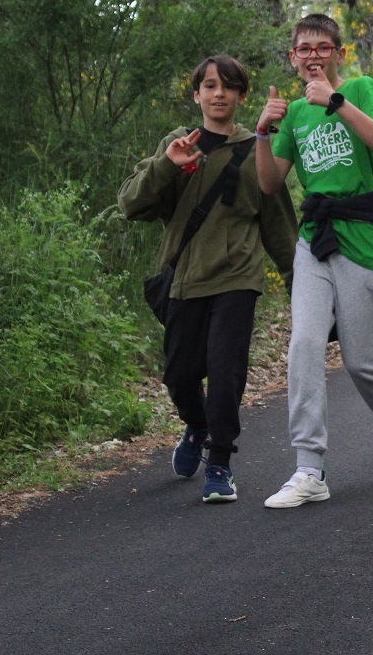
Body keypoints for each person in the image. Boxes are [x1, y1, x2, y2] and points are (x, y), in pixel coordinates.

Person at [255, 14, 373, 509]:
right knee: (304, 345)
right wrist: (263, 133)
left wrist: (335, 101)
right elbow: (269, 183)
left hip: (362, 236)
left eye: (323, 47)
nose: (313, 56)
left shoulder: (361, 89)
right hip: (314, 239)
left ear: (339, 54)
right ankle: (309, 468)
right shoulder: (293, 114)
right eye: (304, 49)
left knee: (362, 360)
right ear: (292, 58)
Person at [118, 55, 297, 504]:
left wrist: (300, 286)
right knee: (179, 376)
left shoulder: (257, 150)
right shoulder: (179, 143)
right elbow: (130, 204)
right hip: (183, 278)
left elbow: (279, 227)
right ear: (196, 94)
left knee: (224, 372)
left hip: (238, 278)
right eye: (210, 86)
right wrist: (168, 165)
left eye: (229, 86)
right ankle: (196, 427)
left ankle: (220, 462)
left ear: (241, 96)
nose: (219, 94)